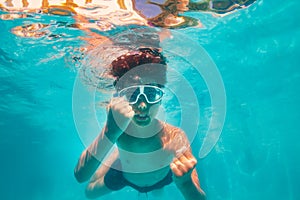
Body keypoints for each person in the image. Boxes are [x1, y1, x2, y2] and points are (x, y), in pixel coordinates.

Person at [74, 47, 206, 200]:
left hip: (162, 178)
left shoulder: (174, 136)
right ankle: (120, 155)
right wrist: (110, 132)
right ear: (121, 97)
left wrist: (186, 184)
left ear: (161, 98)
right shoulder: (117, 127)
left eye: (151, 94)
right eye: (132, 94)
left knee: (158, 189)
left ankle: (133, 165)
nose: (142, 106)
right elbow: (80, 176)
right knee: (89, 193)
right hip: (124, 175)